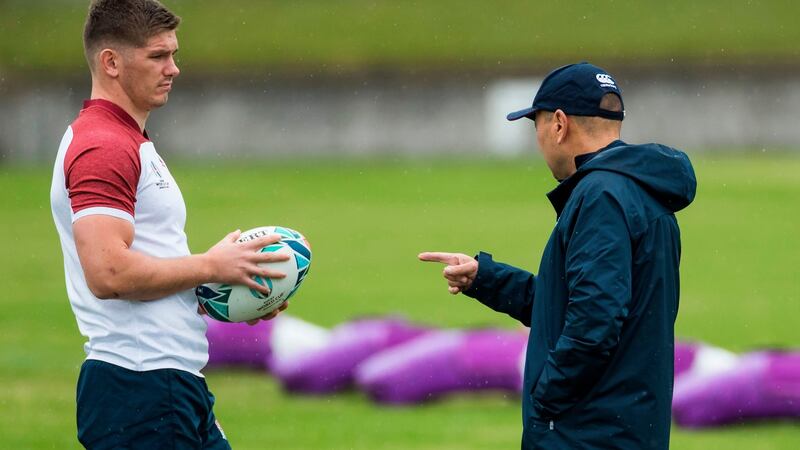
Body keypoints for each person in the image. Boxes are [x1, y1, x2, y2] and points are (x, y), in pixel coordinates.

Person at [420, 62, 697, 449]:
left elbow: (595, 320)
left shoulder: (601, 195)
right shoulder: (642, 192)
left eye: (537, 124)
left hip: (587, 434)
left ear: (560, 124)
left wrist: (546, 399)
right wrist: (486, 278)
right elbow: (573, 307)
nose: (538, 141)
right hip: (628, 427)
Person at [49, 1, 288, 448]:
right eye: (158, 56)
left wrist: (226, 290)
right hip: (143, 388)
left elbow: (145, 267)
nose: (173, 68)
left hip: (168, 384)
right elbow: (109, 273)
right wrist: (212, 266)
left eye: (173, 54)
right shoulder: (103, 146)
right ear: (111, 63)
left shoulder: (127, 140)